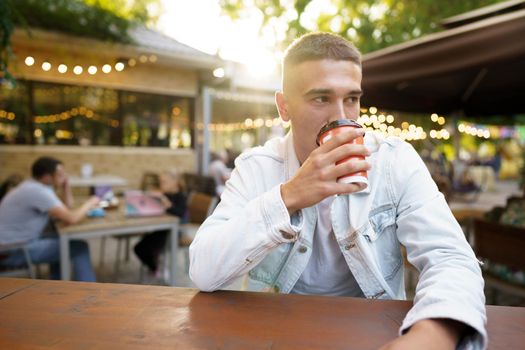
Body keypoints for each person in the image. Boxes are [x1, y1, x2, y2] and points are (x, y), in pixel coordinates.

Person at [189, 33, 486, 349]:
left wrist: (431, 335)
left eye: (352, 99)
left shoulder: (393, 160)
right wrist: (289, 195)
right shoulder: (258, 167)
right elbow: (203, 272)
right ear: (284, 107)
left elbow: (450, 257)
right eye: (321, 98)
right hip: (277, 334)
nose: (340, 116)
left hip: (373, 335)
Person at [0, 156, 100, 281]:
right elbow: (71, 218)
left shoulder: (33, 185)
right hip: (12, 251)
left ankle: (56, 282)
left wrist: (65, 185)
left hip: (13, 245)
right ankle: (89, 290)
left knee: (61, 240)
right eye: (60, 174)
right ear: (47, 177)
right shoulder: (38, 191)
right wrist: (90, 202)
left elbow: (67, 207)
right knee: (79, 247)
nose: (64, 176)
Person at [134, 170, 187, 274]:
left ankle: (156, 269)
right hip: (159, 229)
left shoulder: (181, 197)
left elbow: (180, 214)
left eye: (164, 182)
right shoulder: (164, 194)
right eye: (160, 182)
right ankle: (155, 266)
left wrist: (169, 206)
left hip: (172, 233)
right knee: (140, 247)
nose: (161, 184)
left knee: (140, 248)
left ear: (175, 182)